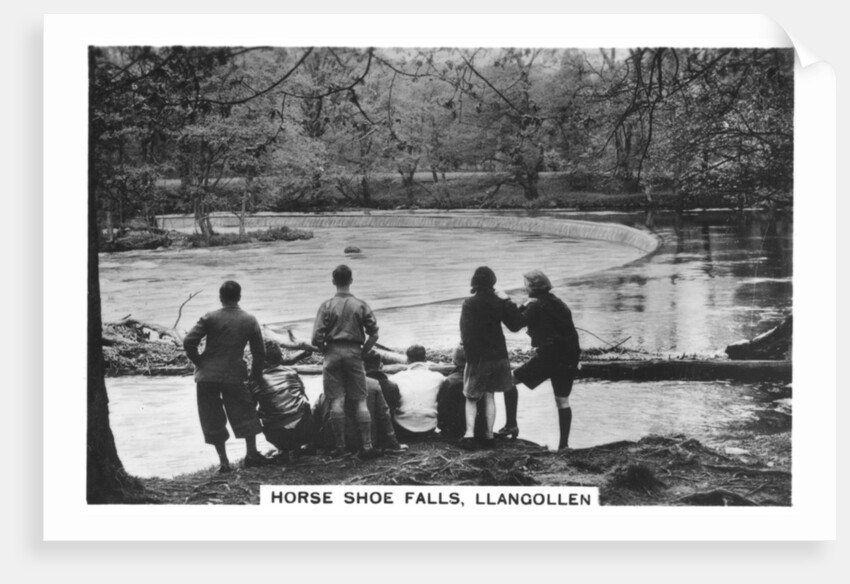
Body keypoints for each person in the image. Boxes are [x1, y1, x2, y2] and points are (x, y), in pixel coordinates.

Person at [183, 280, 269, 473]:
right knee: (246, 412)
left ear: (220, 298)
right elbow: (259, 353)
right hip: (234, 374)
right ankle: (252, 454)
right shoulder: (249, 319)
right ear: (239, 297)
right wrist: (255, 377)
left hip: (207, 377)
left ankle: (224, 462)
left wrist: (200, 362)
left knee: (212, 418)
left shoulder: (210, 317)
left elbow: (189, 342)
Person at [311, 264, 381, 460]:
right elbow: (374, 333)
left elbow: (316, 338)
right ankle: (367, 445)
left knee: (337, 400)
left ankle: (340, 446)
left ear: (333, 281)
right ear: (351, 280)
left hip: (332, 353)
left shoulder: (326, 305)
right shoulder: (360, 304)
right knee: (360, 400)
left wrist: (327, 350)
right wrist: (364, 351)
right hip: (354, 352)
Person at [512, 270, 581, 450]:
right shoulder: (559, 302)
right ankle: (564, 445)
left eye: (526, 284)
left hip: (549, 356)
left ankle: (510, 425)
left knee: (508, 382)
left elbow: (515, 324)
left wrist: (522, 304)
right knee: (562, 400)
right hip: (569, 355)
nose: (523, 286)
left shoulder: (535, 306)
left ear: (533, 287)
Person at [458, 266, 523, 449]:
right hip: (499, 354)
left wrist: (469, 356)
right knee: (489, 395)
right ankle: (488, 436)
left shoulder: (469, 303)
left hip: (478, 356)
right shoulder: (499, 301)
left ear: (474, 283)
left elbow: (465, 333)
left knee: (471, 396)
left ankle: (469, 435)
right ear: (492, 282)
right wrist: (508, 300)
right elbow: (516, 324)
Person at [249, 340, 314, 461]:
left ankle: (283, 450)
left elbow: (252, 407)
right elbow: (303, 395)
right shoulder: (292, 372)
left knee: (262, 412)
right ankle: (298, 448)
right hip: (303, 430)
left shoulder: (255, 381)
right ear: (280, 356)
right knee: (306, 406)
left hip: (277, 434)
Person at [389, 345, 445, 436]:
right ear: (425, 359)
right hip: (429, 427)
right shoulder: (438, 377)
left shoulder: (395, 378)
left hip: (402, 427)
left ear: (407, 360)